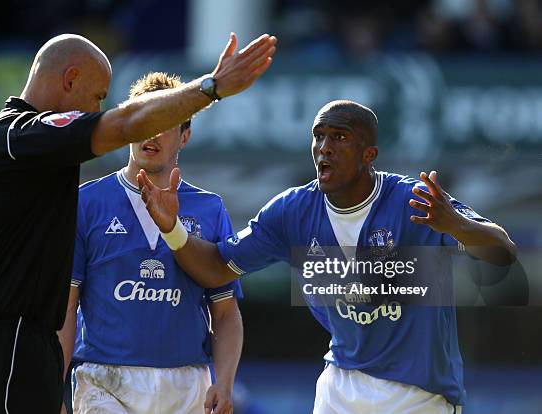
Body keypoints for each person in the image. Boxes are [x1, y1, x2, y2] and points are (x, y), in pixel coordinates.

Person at [0, 32, 276, 414]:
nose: (96, 109)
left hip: (1, 350)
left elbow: (224, 307)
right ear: (70, 80)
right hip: (10, 350)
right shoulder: (21, 138)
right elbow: (125, 124)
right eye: (98, 96)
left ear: (185, 137)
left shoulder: (16, 148)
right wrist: (211, 87)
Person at [137, 100, 517, 414]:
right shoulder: (292, 211)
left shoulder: (413, 202)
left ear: (369, 154)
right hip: (341, 387)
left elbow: (502, 252)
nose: (324, 147)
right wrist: (173, 228)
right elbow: (217, 268)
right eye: (318, 136)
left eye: (339, 137)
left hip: (419, 395)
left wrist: (455, 225)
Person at [58, 72, 243, 414]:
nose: (153, 133)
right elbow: (66, 307)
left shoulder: (210, 208)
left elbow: (226, 311)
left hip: (187, 384)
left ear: (185, 136)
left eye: (166, 122)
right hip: (104, 381)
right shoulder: (87, 203)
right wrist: (55, 386)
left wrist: (225, 382)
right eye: (145, 121)